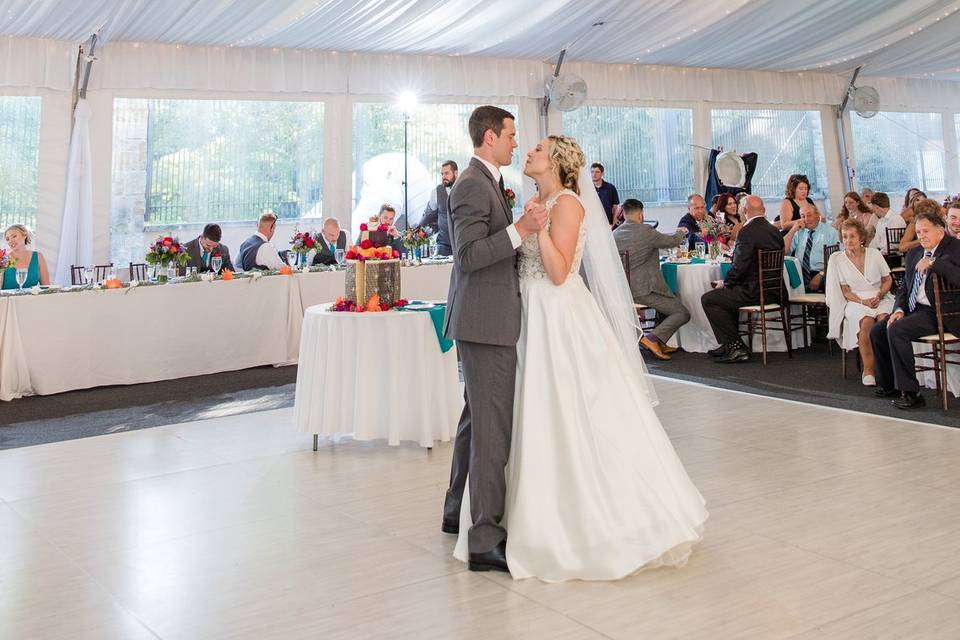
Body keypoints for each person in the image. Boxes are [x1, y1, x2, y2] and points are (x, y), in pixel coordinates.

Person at [451, 134, 706, 581]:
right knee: (524, 415)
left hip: (557, 316)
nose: (528, 151)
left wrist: (537, 228)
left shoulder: (567, 203)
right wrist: (528, 225)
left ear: (555, 163)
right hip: (527, 314)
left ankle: (577, 521)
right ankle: (505, 514)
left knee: (566, 413)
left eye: (537, 150)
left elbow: (559, 270)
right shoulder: (536, 199)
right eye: (522, 143)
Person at [441, 105, 549, 573]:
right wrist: (521, 230)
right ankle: (485, 538)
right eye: (510, 134)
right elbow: (467, 256)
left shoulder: (487, 182)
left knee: (475, 420)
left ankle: (453, 510)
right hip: (485, 323)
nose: (515, 142)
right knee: (492, 429)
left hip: (484, 318)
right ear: (489, 137)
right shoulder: (470, 184)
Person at [870, 212, 960, 409]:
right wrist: (899, 308)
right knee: (878, 330)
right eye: (918, 232)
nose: (921, 236)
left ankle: (911, 393)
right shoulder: (915, 253)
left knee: (897, 330)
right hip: (914, 308)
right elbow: (904, 288)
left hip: (941, 312)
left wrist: (935, 262)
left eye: (926, 231)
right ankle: (889, 385)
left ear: (940, 230)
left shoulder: (955, 248)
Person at [700, 196, 784, 364]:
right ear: (764, 210)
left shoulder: (746, 232)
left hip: (753, 291)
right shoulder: (775, 231)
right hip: (774, 290)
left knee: (709, 299)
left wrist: (726, 282)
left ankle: (737, 347)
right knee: (725, 297)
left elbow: (740, 266)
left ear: (745, 211)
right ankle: (729, 345)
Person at [613, 198, 690, 360]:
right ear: (641, 215)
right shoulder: (646, 231)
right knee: (682, 312)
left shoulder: (614, 234)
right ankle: (652, 338)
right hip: (643, 290)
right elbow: (671, 242)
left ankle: (660, 341)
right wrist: (681, 231)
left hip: (622, 289)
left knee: (670, 299)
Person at [825, 219, 895, 386]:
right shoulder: (839, 259)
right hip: (856, 301)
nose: (848, 240)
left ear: (861, 238)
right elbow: (846, 291)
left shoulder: (874, 254)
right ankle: (869, 370)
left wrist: (879, 294)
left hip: (880, 296)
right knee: (865, 322)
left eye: (852, 236)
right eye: (845, 237)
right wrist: (863, 302)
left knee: (884, 319)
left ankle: (890, 368)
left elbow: (887, 280)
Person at [783, 203, 840, 293]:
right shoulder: (799, 231)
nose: (806, 219)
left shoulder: (831, 232)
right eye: (803, 216)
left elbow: (838, 258)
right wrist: (793, 230)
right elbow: (784, 251)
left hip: (822, 273)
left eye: (809, 215)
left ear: (817, 215)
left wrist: (821, 274)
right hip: (800, 273)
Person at [420, 160, 458, 256]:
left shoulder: (465, 189)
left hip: (462, 243)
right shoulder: (436, 192)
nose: (443, 177)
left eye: (446, 173)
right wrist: (417, 230)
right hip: (443, 245)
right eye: (442, 174)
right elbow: (428, 215)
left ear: (456, 173)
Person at [2, 224, 49, 289]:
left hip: (32, 299)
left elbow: (46, 288)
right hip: (7, 299)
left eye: (14, 236)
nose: (10, 241)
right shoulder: (3, 258)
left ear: (24, 235)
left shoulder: (38, 257)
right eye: (7, 239)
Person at [590, 162, 620, 228]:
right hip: (592, 223)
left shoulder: (610, 187)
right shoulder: (588, 188)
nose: (594, 174)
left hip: (608, 223)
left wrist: (614, 220)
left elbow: (615, 206)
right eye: (592, 172)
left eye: (597, 172)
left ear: (602, 173)